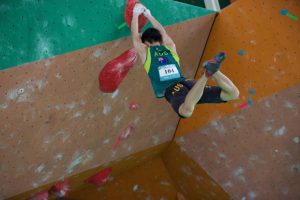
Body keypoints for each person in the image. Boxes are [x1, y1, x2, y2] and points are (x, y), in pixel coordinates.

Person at [131, 4, 239, 118]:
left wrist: (135, 14)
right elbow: (162, 32)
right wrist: (148, 15)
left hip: (173, 89)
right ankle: (214, 71)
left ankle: (207, 75)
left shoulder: (146, 53)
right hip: (188, 84)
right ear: (159, 39)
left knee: (185, 112)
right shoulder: (170, 47)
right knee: (233, 93)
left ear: (146, 43)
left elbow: (135, 36)